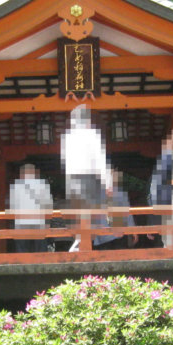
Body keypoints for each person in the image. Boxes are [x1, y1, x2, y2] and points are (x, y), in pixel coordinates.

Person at [61, 105, 112, 249]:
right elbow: (100, 160)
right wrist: (107, 183)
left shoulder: (67, 137)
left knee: (79, 218)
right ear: (87, 120)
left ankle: (78, 244)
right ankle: (80, 247)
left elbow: (65, 161)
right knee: (91, 218)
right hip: (88, 179)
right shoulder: (92, 135)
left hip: (71, 180)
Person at [8, 164, 54, 253]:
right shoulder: (42, 186)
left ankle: (23, 265)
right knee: (40, 249)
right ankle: (41, 265)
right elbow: (48, 206)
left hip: (22, 222)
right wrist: (48, 223)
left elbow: (13, 207)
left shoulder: (17, 187)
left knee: (22, 249)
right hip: (38, 221)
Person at [95, 170, 135, 251]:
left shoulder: (122, 195)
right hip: (103, 235)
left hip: (121, 234)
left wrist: (134, 231)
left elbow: (128, 213)